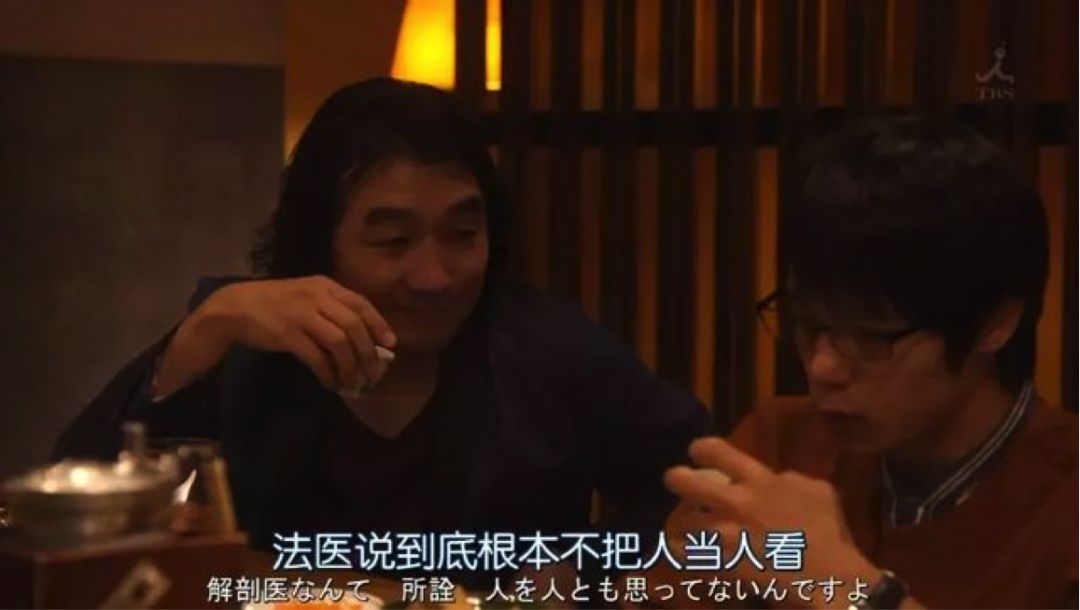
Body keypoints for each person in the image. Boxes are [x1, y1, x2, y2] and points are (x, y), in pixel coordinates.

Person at [53, 78, 710, 562]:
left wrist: (582, 572)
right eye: (394, 242)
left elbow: (699, 491)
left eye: (463, 234)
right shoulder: (247, 339)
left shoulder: (546, 346)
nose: (435, 276)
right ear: (320, 242)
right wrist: (203, 331)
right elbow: (77, 512)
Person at [661, 116, 1076, 609]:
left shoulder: (1063, 504)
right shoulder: (780, 448)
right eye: (809, 324)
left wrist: (853, 592)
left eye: (872, 336)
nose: (822, 369)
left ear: (994, 323)